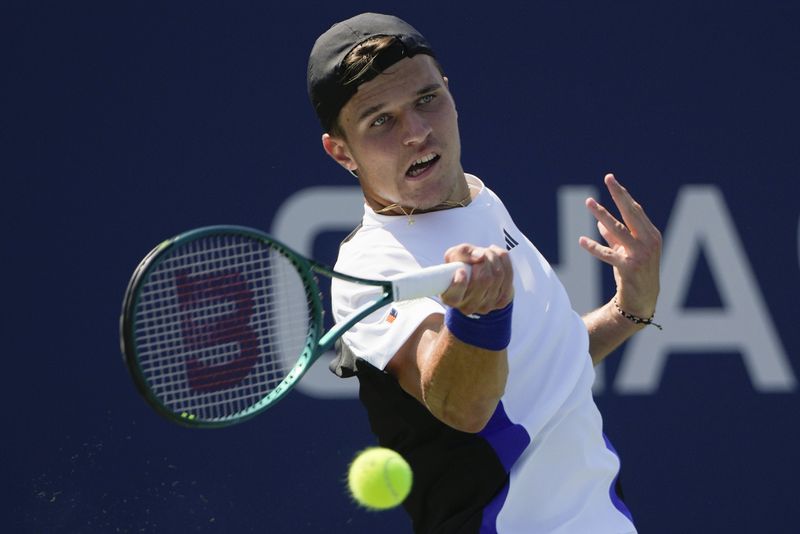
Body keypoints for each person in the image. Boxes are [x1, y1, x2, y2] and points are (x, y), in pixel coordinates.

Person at [307, 13, 661, 534]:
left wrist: (628, 311)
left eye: (427, 100)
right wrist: (479, 318)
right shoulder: (370, 269)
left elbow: (541, 370)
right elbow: (463, 407)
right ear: (341, 152)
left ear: (449, 93)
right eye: (380, 120)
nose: (417, 133)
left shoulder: (475, 195)